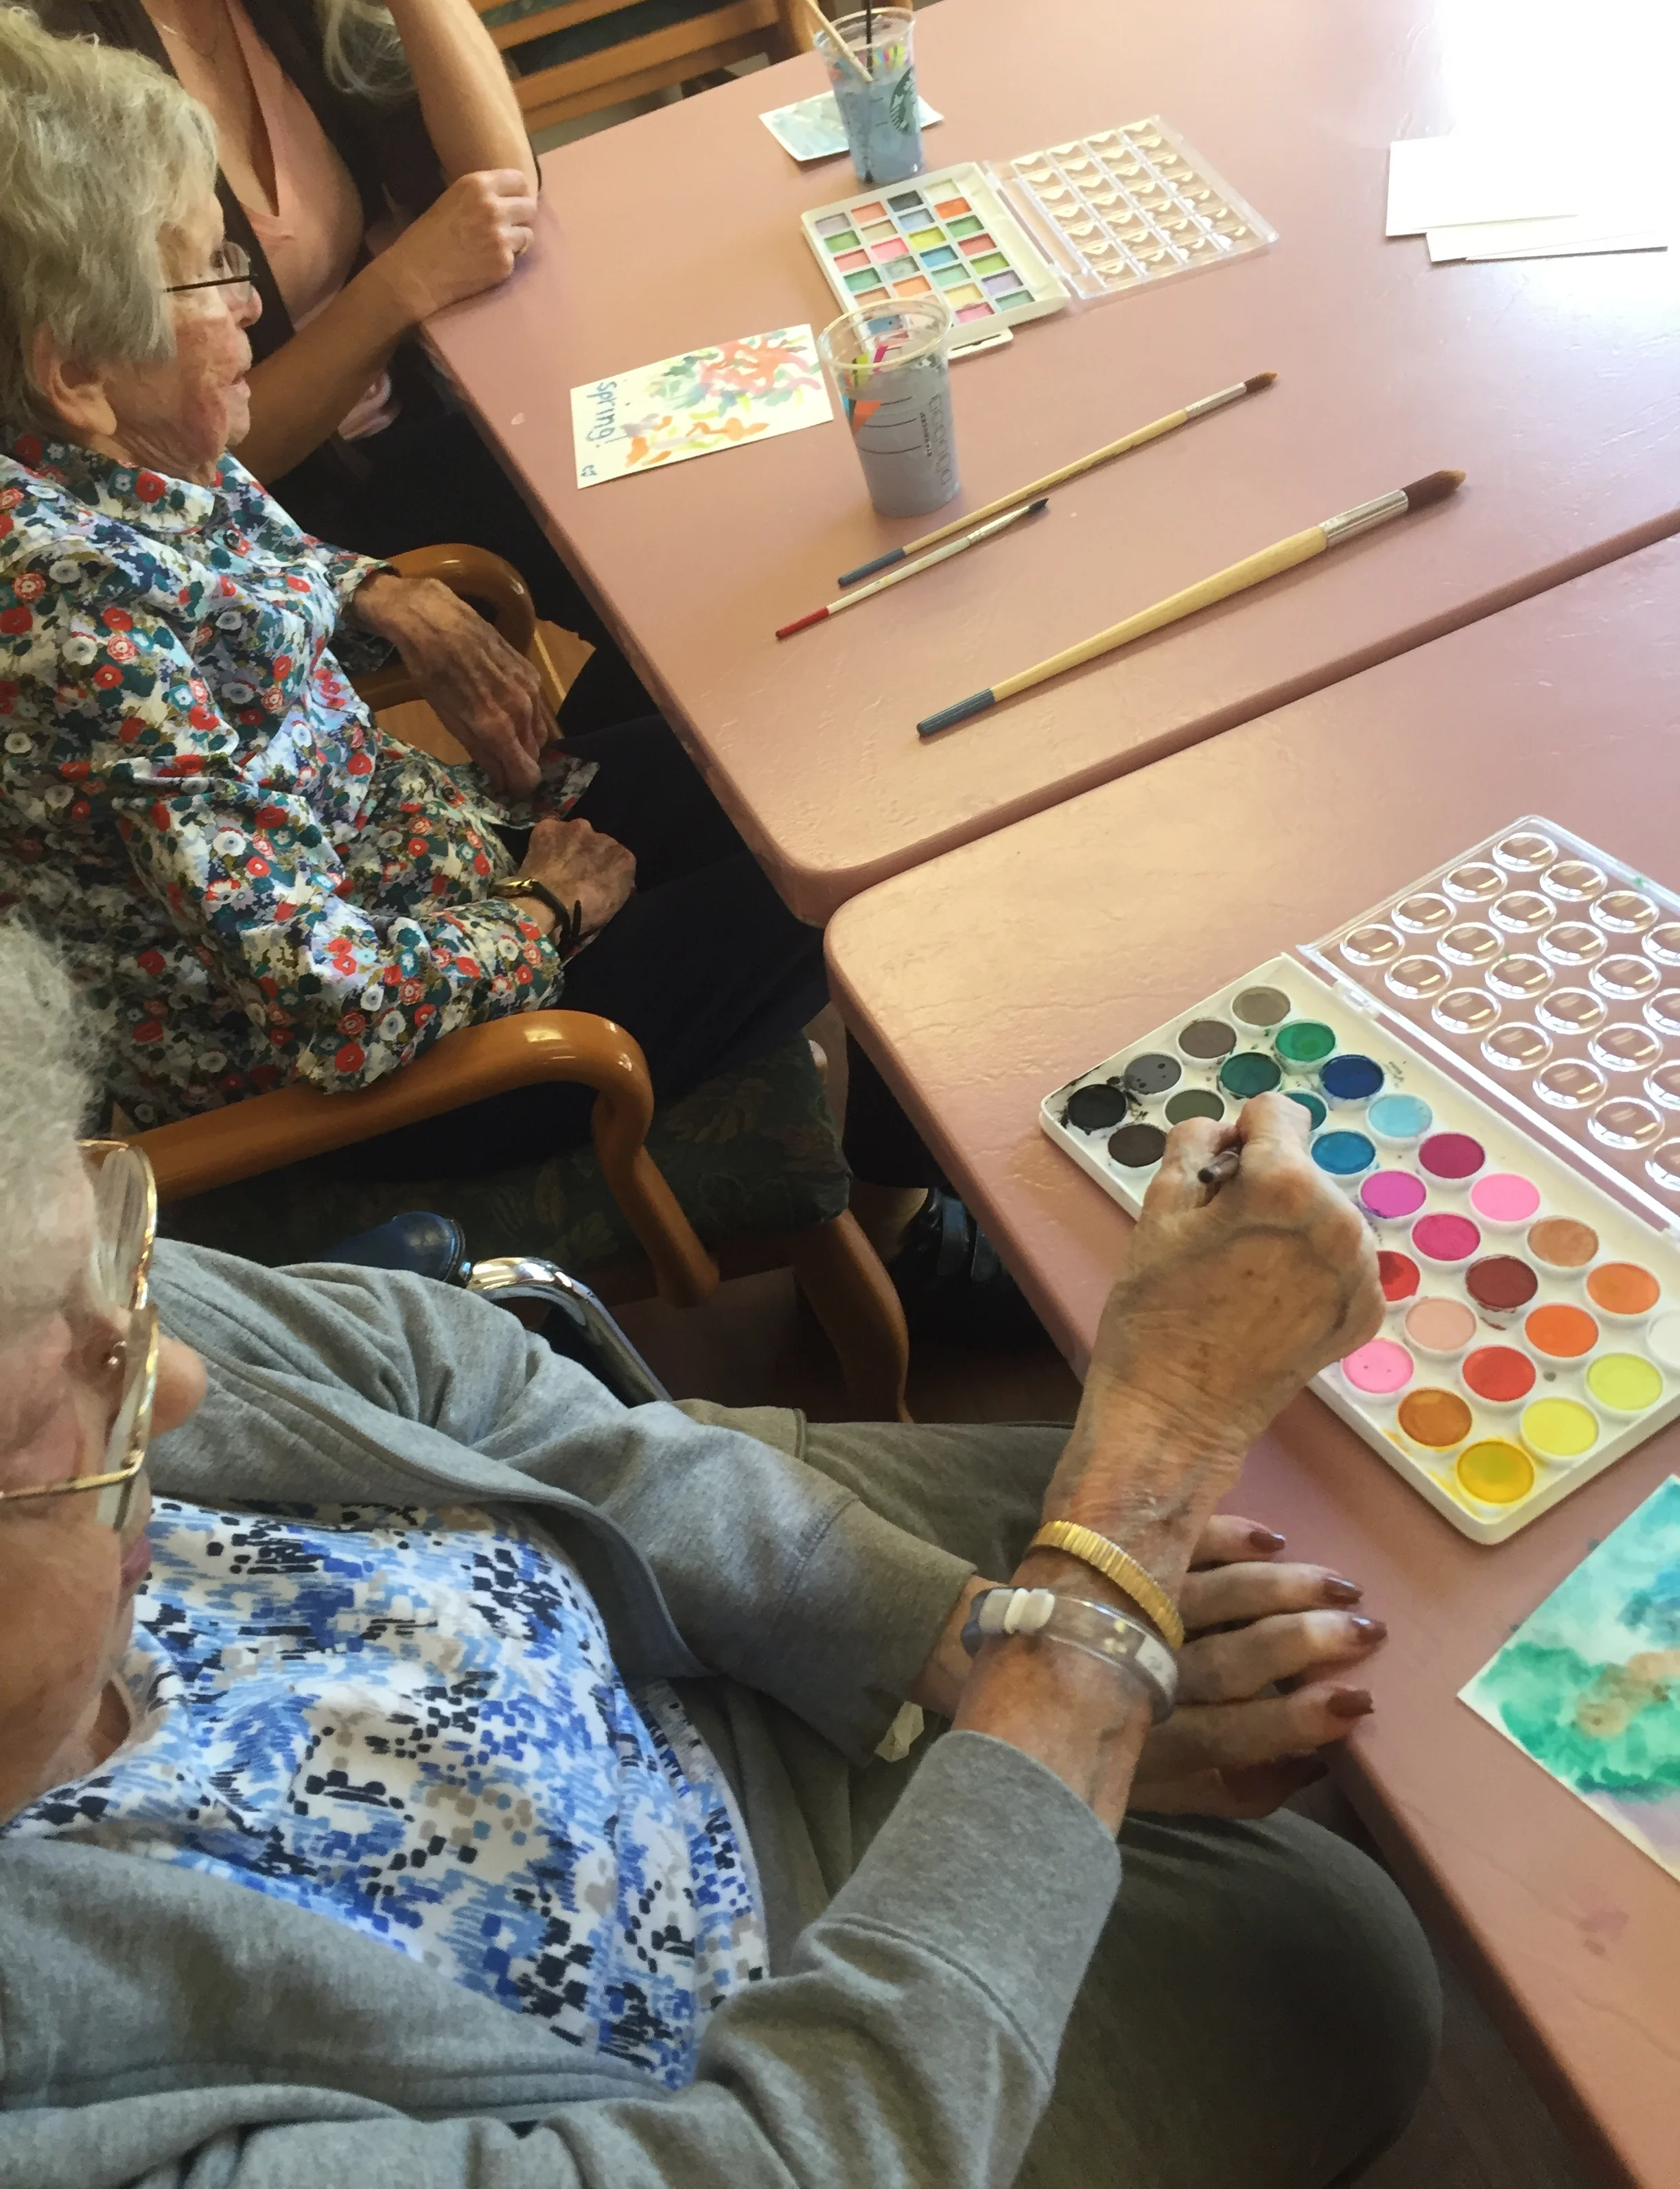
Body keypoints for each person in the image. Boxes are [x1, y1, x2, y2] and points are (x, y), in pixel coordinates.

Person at [0, 915, 1438, 2186]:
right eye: (35, 1420)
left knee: (1329, 1537)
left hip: (660, 1645)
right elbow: (795, 2155)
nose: (177, 1393)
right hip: (741, 2036)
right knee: (1346, 1964)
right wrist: (1109, 1568)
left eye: (111, 1285)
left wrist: (934, 1646)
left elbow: (458, 1377)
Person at [0, 8, 1014, 1329]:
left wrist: (376, 591)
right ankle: (905, 1254)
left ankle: (894, 1213)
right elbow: (334, 1008)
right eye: (207, 275)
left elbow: (238, 576)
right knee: (866, 856)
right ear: (75, 371)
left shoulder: (96, 474)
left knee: (814, 741)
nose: (251, 297)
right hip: (408, 1053)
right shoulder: (77, 617)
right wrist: (544, 915)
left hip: (440, 854)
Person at [0, 0, 653, 729]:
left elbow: (497, 198)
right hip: (271, 513)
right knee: (642, 586)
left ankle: (611, 783)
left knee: (656, 548)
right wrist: (402, 285)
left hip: (416, 419)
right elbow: (176, 461)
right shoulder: (49, 58)